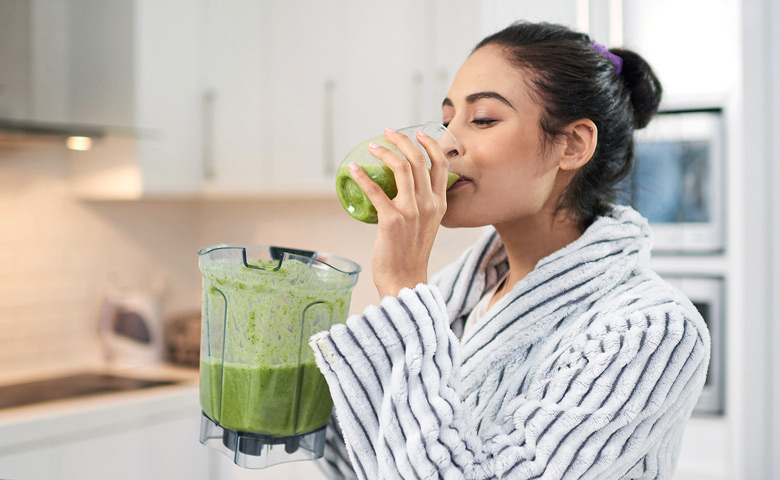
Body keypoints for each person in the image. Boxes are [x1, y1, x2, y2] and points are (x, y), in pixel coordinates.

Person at [309, 21, 710, 480]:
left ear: (573, 144)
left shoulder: (650, 330)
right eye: (447, 120)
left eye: (482, 119)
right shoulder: (459, 296)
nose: (444, 144)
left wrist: (402, 287)